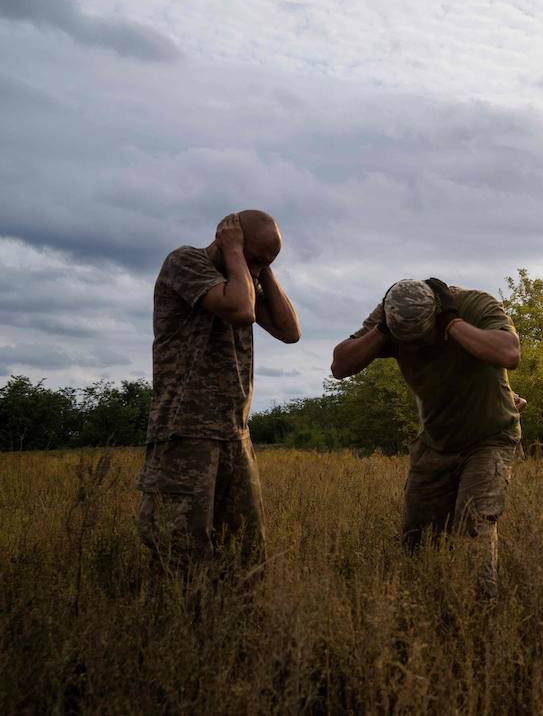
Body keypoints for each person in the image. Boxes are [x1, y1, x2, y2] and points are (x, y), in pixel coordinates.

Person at [330, 277, 521, 600]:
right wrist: (382, 332)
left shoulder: (474, 305)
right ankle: (424, 612)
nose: (416, 347)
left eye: (423, 336)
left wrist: (453, 324)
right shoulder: (390, 316)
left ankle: (481, 618)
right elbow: (340, 365)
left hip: (490, 436)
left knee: (474, 526)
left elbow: (509, 353)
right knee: (417, 539)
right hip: (435, 442)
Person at [135, 210, 301, 580]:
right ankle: (177, 630)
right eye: (255, 257)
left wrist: (263, 269)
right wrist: (239, 256)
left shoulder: (244, 277)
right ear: (230, 240)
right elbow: (239, 310)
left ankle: (231, 631)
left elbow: (290, 332)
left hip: (234, 435)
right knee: (178, 553)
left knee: (243, 551)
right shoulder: (185, 262)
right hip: (185, 433)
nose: (257, 268)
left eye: (267, 261)